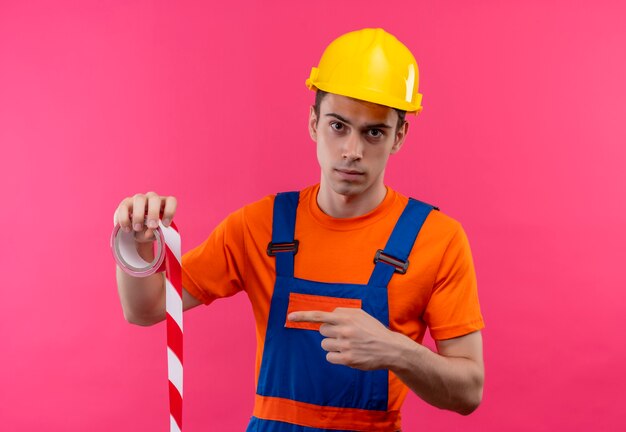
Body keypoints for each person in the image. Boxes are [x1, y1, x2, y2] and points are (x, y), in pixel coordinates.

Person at [114, 28, 485, 432]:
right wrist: (135, 242)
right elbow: (145, 309)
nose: (352, 151)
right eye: (338, 126)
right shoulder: (260, 226)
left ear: (399, 136)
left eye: (373, 132)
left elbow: (468, 392)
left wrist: (397, 351)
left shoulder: (438, 239)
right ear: (313, 122)